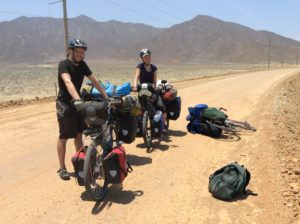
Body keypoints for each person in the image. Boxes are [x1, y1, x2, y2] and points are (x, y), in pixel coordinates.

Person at [56, 39, 108, 180]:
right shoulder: (64, 65)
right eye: (77, 51)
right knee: (64, 136)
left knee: (79, 134)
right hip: (65, 104)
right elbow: (68, 82)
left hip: (78, 103)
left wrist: (105, 95)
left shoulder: (83, 65)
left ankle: (82, 162)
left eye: (82, 52)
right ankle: (62, 167)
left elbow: (94, 80)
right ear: (71, 51)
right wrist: (77, 99)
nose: (79, 54)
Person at [133, 48, 167, 133]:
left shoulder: (153, 67)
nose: (147, 58)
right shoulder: (139, 66)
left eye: (148, 56)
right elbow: (136, 76)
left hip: (151, 90)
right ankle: (140, 127)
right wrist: (134, 86)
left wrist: (155, 87)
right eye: (145, 57)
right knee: (139, 108)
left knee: (161, 106)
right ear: (142, 58)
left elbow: (154, 79)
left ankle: (163, 125)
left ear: (150, 57)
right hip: (142, 90)